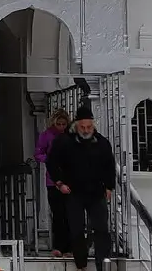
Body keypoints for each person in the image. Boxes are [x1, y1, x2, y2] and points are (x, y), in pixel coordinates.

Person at [45, 103, 116, 271]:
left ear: (93, 126)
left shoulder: (102, 143)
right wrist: (59, 183)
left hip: (96, 192)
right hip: (73, 192)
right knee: (76, 229)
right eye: (82, 127)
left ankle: (102, 265)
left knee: (101, 229)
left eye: (89, 127)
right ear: (76, 126)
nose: (86, 130)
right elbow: (52, 162)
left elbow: (109, 166)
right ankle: (81, 265)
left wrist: (109, 187)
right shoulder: (64, 142)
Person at [34, 108, 72, 258]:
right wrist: (50, 160)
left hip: (70, 180)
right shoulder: (47, 136)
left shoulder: (70, 136)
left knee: (70, 214)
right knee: (58, 215)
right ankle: (58, 246)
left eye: (64, 124)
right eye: (59, 124)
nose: (61, 127)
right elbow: (38, 153)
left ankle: (70, 247)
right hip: (53, 180)